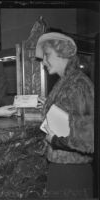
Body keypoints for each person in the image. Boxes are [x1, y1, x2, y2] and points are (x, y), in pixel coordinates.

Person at [35, 32, 94, 198]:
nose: (44, 62)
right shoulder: (69, 81)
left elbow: (89, 137)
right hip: (63, 169)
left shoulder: (78, 84)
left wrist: (54, 139)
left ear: (63, 52)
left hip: (72, 173)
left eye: (47, 55)